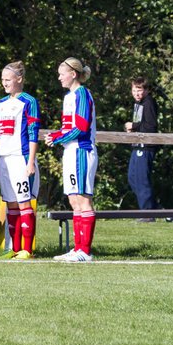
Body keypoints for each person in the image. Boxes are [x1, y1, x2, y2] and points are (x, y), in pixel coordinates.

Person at [45, 57, 98, 262]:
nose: (59, 78)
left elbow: (82, 128)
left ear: (73, 74)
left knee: (83, 199)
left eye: (61, 74)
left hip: (81, 151)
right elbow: (68, 128)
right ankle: (78, 249)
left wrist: (59, 139)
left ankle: (85, 251)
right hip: (70, 151)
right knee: (73, 200)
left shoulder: (82, 94)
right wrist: (56, 135)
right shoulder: (69, 97)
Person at [0, 62, 41, 258]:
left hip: (20, 157)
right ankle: (14, 249)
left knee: (24, 203)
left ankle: (27, 250)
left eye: (8, 79)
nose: (4, 83)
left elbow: (33, 132)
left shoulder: (29, 101)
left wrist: (30, 161)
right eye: (2, 79)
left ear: (19, 79)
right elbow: (1, 134)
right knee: (11, 204)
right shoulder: (2, 103)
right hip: (5, 158)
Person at [126, 77, 159, 216]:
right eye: (134, 90)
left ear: (146, 90)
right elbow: (142, 124)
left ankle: (147, 214)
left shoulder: (149, 103)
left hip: (145, 147)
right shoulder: (139, 104)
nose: (137, 93)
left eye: (140, 90)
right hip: (137, 145)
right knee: (132, 178)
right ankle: (157, 210)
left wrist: (133, 126)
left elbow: (151, 126)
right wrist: (132, 129)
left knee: (141, 180)